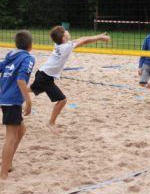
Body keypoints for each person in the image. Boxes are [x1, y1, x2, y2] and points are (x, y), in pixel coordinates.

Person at [29, 26, 110, 133]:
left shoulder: (60, 44)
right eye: (65, 31)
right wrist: (99, 38)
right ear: (63, 38)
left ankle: (12, 89)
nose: (68, 31)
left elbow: (81, 39)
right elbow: (84, 41)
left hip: (42, 73)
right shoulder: (65, 47)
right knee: (62, 100)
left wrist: (98, 36)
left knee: (31, 89)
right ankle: (51, 122)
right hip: (45, 78)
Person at [0, 30, 35, 179]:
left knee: (21, 130)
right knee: (11, 136)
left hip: (4, 98)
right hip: (12, 100)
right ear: (30, 45)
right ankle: (3, 173)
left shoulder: (10, 55)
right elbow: (21, 80)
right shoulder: (28, 58)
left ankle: (8, 164)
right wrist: (28, 100)